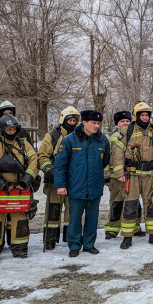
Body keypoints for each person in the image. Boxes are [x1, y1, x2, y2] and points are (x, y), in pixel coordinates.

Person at [0, 114, 39, 262]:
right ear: (1, 130)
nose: (11, 132)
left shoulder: (24, 145)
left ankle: (20, 249)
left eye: (14, 129)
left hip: (19, 191)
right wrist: (1, 184)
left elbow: (34, 162)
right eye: (8, 129)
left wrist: (24, 182)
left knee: (20, 221)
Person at [110, 102, 153, 249]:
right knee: (130, 207)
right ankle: (127, 238)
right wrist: (119, 173)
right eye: (142, 115)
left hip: (150, 176)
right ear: (136, 116)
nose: (144, 117)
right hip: (132, 176)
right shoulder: (127, 131)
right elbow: (117, 153)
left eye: (147, 115)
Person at [53, 110, 110, 257]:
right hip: (76, 186)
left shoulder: (102, 141)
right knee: (75, 218)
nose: (96, 126)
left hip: (95, 186)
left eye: (98, 123)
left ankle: (89, 244)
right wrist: (60, 185)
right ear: (84, 123)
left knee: (92, 218)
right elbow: (60, 165)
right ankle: (74, 245)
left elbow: (105, 161)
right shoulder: (69, 140)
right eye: (93, 123)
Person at [37, 106, 80, 250]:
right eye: (70, 120)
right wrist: (49, 170)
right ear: (63, 120)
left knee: (72, 211)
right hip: (55, 180)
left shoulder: (80, 136)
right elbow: (42, 156)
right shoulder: (52, 136)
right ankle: (50, 239)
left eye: (75, 120)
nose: (72, 123)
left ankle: (71, 237)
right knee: (53, 210)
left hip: (74, 180)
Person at [104, 110, 133, 239]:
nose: (125, 123)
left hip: (132, 175)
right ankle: (112, 229)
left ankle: (135, 227)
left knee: (133, 203)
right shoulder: (110, 137)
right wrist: (106, 176)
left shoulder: (133, 134)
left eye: (127, 121)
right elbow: (105, 158)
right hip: (115, 175)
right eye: (122, 121)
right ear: (117, 123)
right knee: (116, 202)